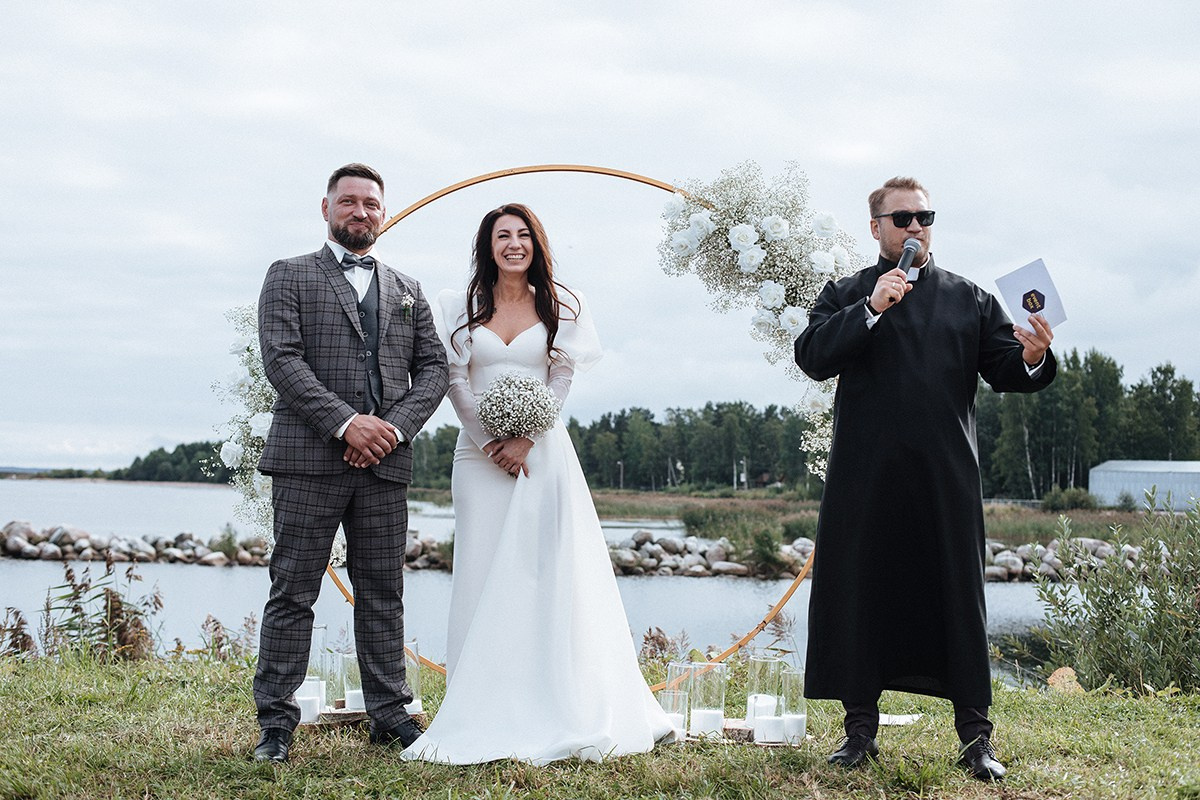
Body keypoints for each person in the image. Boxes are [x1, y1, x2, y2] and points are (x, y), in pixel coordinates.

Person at [795, 177, 1056, 781]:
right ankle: (859, 732)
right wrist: (871, 309)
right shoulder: (846, 294)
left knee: (957, 599)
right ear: (876, 228)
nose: (916, 227)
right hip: (865, 479)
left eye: (924, 217)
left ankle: (976, 738)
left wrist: (1033, 354)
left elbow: (1007, 370)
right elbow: (812, 357)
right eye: (903, 218)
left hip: (945, 479)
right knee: (861, 594)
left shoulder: (969, 299)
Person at [401, 203, 675, 765]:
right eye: (502, 235)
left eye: (523, 234)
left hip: (543, 453)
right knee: (481, 570)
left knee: (546, 569)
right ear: (487, 245)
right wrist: (490, 442)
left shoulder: (562, 304)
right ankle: (480, 703)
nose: (514, 244)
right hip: (477, 459)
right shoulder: (458, 306)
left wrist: (526, 437)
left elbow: (562, 376)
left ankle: (556, 698)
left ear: (536, 243)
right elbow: (454, 380)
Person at [251, 163, 448, 763]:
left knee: (384, 592)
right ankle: (276, 725)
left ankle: (390, 714)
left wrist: (391, 429)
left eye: (371, 204)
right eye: (349, 202)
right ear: (326, 208)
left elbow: (434, 369)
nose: (360, 212)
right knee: (293, 592)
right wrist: (346, 423)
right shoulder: (288, 274)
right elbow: (281, 359)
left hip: (384, 466)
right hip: (308, 462)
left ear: (383, 213)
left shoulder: (409, 288)